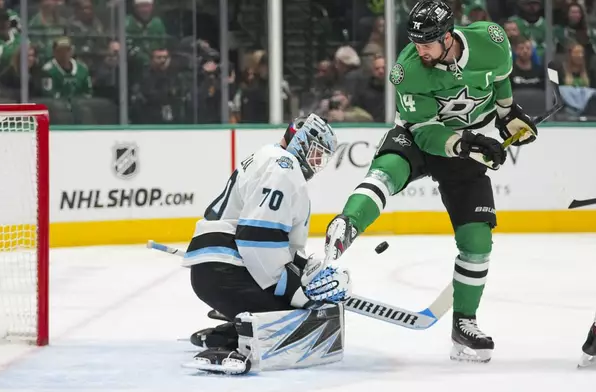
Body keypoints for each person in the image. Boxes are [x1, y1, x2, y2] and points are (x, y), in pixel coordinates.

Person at [323, 0, 538, 363]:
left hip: (466, 145)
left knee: (478, 239)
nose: (419, 50)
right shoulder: (408, 70)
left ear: (449, 36)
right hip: (422, 137)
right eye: (415, 42)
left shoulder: (492, 40)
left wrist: (506, 113)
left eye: (428, 43)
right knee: (388, 168)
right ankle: (344, 228)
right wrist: (464, 142)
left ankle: (464, 324)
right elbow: (425, 133)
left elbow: (500, 76)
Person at [182, 114, 351, 375]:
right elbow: (256, 239)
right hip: (228, 272)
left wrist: (306, 270)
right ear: (301, 141)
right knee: (301, 320)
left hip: (219, 269)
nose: (317, 164)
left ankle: (226, 333)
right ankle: (239, 338)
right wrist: (296, 290)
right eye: (316, 153)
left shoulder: (272, 158)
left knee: (298, 313)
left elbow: (268, 239)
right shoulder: (283, 168)